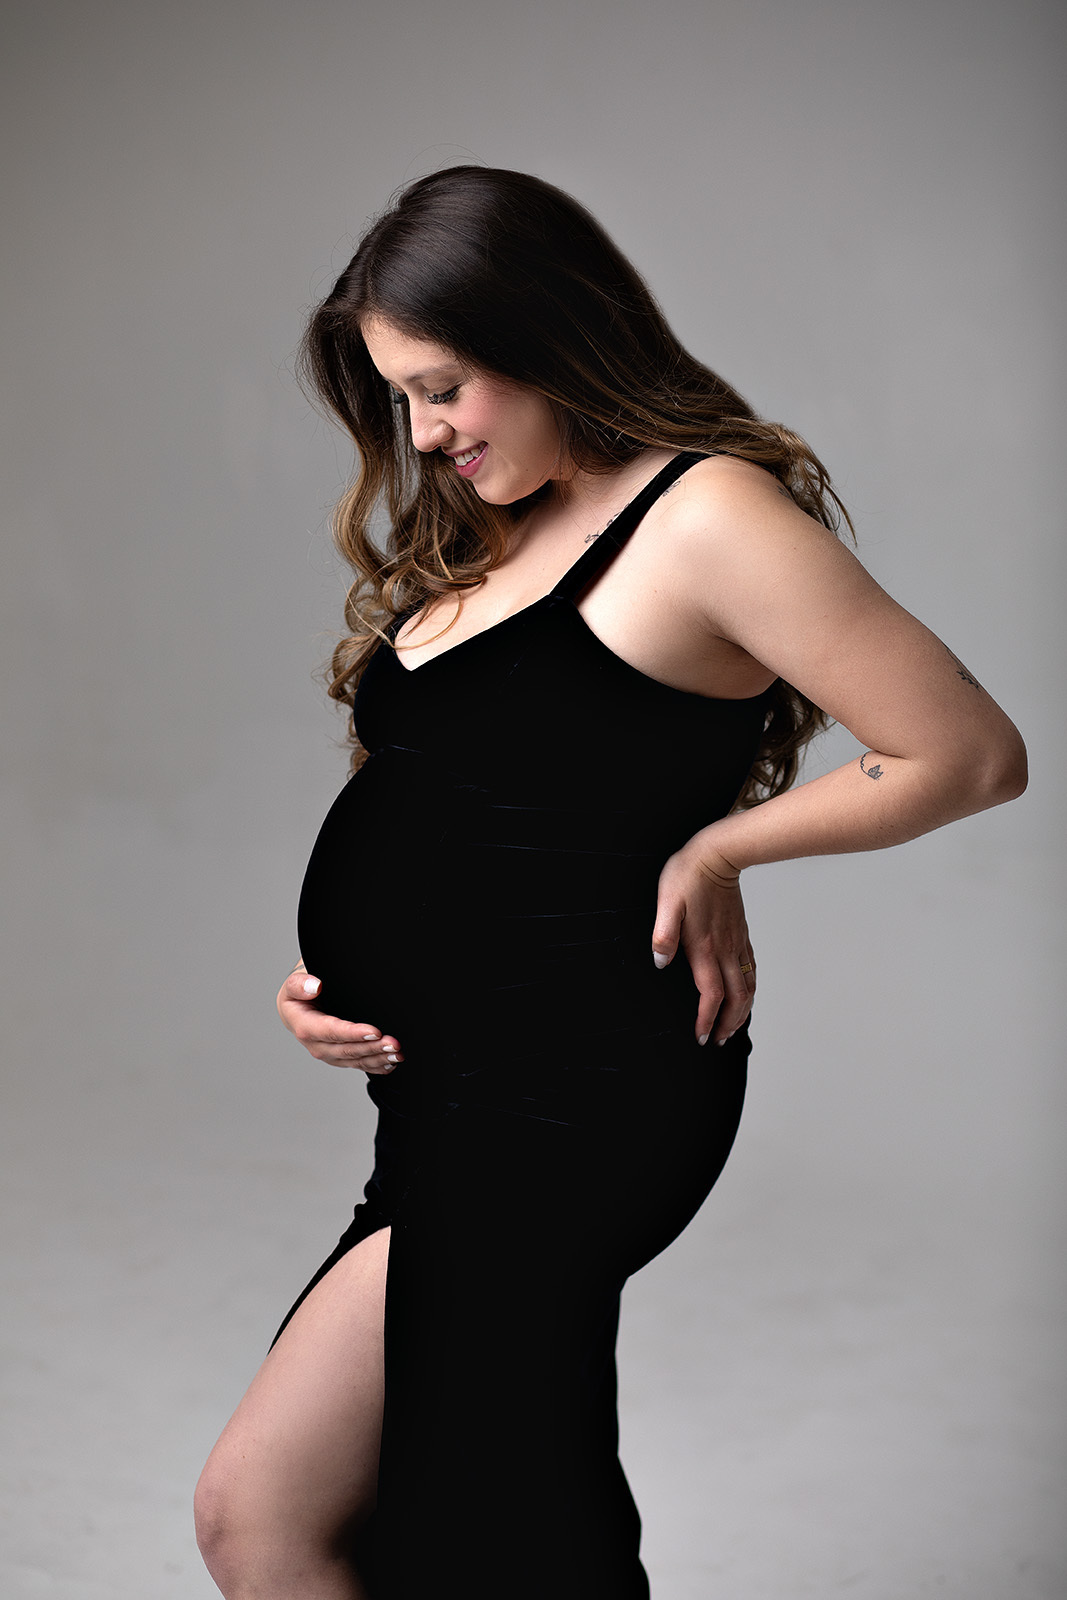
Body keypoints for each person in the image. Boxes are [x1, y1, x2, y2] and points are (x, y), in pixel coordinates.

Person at [193, 167, 1027, 1600]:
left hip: (572, 1093)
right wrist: (335, 977)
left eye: (442, 388)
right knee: (332, 1516)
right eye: (400, 400)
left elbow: (967, 752)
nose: (423, 433)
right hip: (446, 1098)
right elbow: (477, 792)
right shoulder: (503, 519)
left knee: (390, 1520)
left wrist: (722, 846)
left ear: (545, 332)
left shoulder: (705, 516)